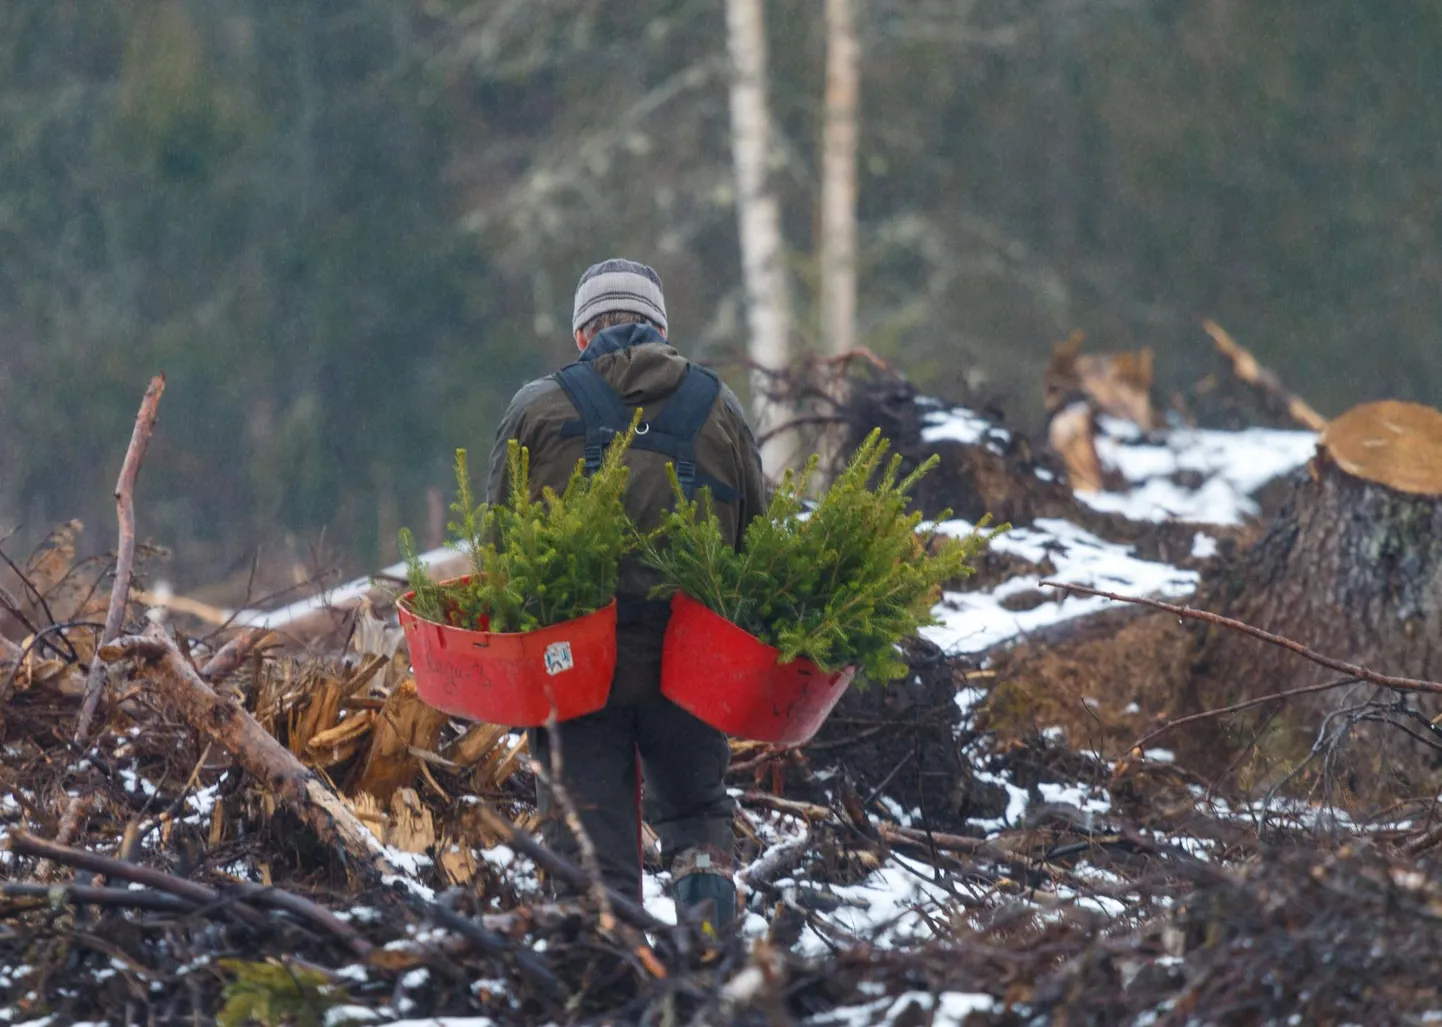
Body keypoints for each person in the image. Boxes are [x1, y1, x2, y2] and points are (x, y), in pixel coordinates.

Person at [486, 258, 767, 932]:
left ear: (583, 335)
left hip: (573, 670)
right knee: (699, 817)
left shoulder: (537, 408)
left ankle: (602, 982)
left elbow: (500, 551)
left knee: (589, 844)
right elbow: (759, 544)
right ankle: (709, 973)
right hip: (692, 665)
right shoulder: (719, 408)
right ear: (662, 330)